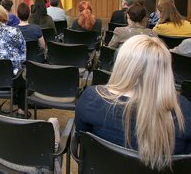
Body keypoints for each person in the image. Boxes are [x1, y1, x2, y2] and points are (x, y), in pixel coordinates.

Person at [75, 35, 191, 171]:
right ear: (165, 71)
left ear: (122, 64)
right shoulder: (184, 110)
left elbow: (81, 138)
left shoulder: (92, 97)